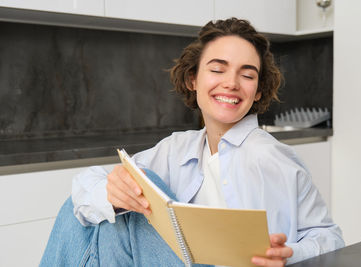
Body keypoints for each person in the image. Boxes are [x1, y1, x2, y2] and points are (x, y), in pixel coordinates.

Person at [41, 18, 344, 267]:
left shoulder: (273, 157)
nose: (231, 83)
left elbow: (330, 237)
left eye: (247, 75)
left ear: (259, 91)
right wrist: (111, 190)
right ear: (193, 80)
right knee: (102, 204)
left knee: (125, 211)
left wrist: (290, 254)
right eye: (217, 69)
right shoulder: (178, 149)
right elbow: (85, 188)